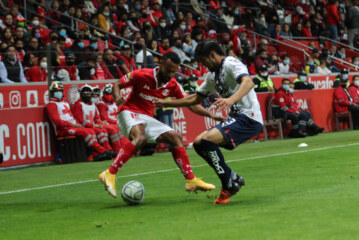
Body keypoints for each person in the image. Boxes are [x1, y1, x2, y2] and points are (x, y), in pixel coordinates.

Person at [99, 52, 220, 198]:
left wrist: (211, 114)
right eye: (168, 70)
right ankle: (109, 173)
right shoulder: (141, 74)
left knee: (176, 137)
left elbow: (191, 104)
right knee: (140, 138)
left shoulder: (173, 84)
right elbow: (117, 84)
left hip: (146, 117)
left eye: (173, 72)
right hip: (128, 111)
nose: (170, 74)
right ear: (160, 63)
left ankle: (190, 180)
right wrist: (117, 97)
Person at [155, 40, 263, 204]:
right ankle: (231, 178)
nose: (203, 65)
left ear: (212, 55)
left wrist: (230, 100)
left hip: (249, 117)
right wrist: (166, 103)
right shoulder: (212, 75)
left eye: (203, 60)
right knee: (199, 143)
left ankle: (228, 183)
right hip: (237, 118)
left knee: (206, 140)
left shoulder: (230, 63)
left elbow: (248, 82)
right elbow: (195, 98)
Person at [46, 82, 108, 161]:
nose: (59, 93)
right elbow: (57, 122)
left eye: (60, 91)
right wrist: (72, 124)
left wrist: (77, 124)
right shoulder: (51, 105)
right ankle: (102, 151)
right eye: (56, 91)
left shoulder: (65, 103)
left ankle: (94, 154)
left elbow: (72, 117)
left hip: (72, 126)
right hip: (63, 129)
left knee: (90, 130)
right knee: (85, 132)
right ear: (52, 92)